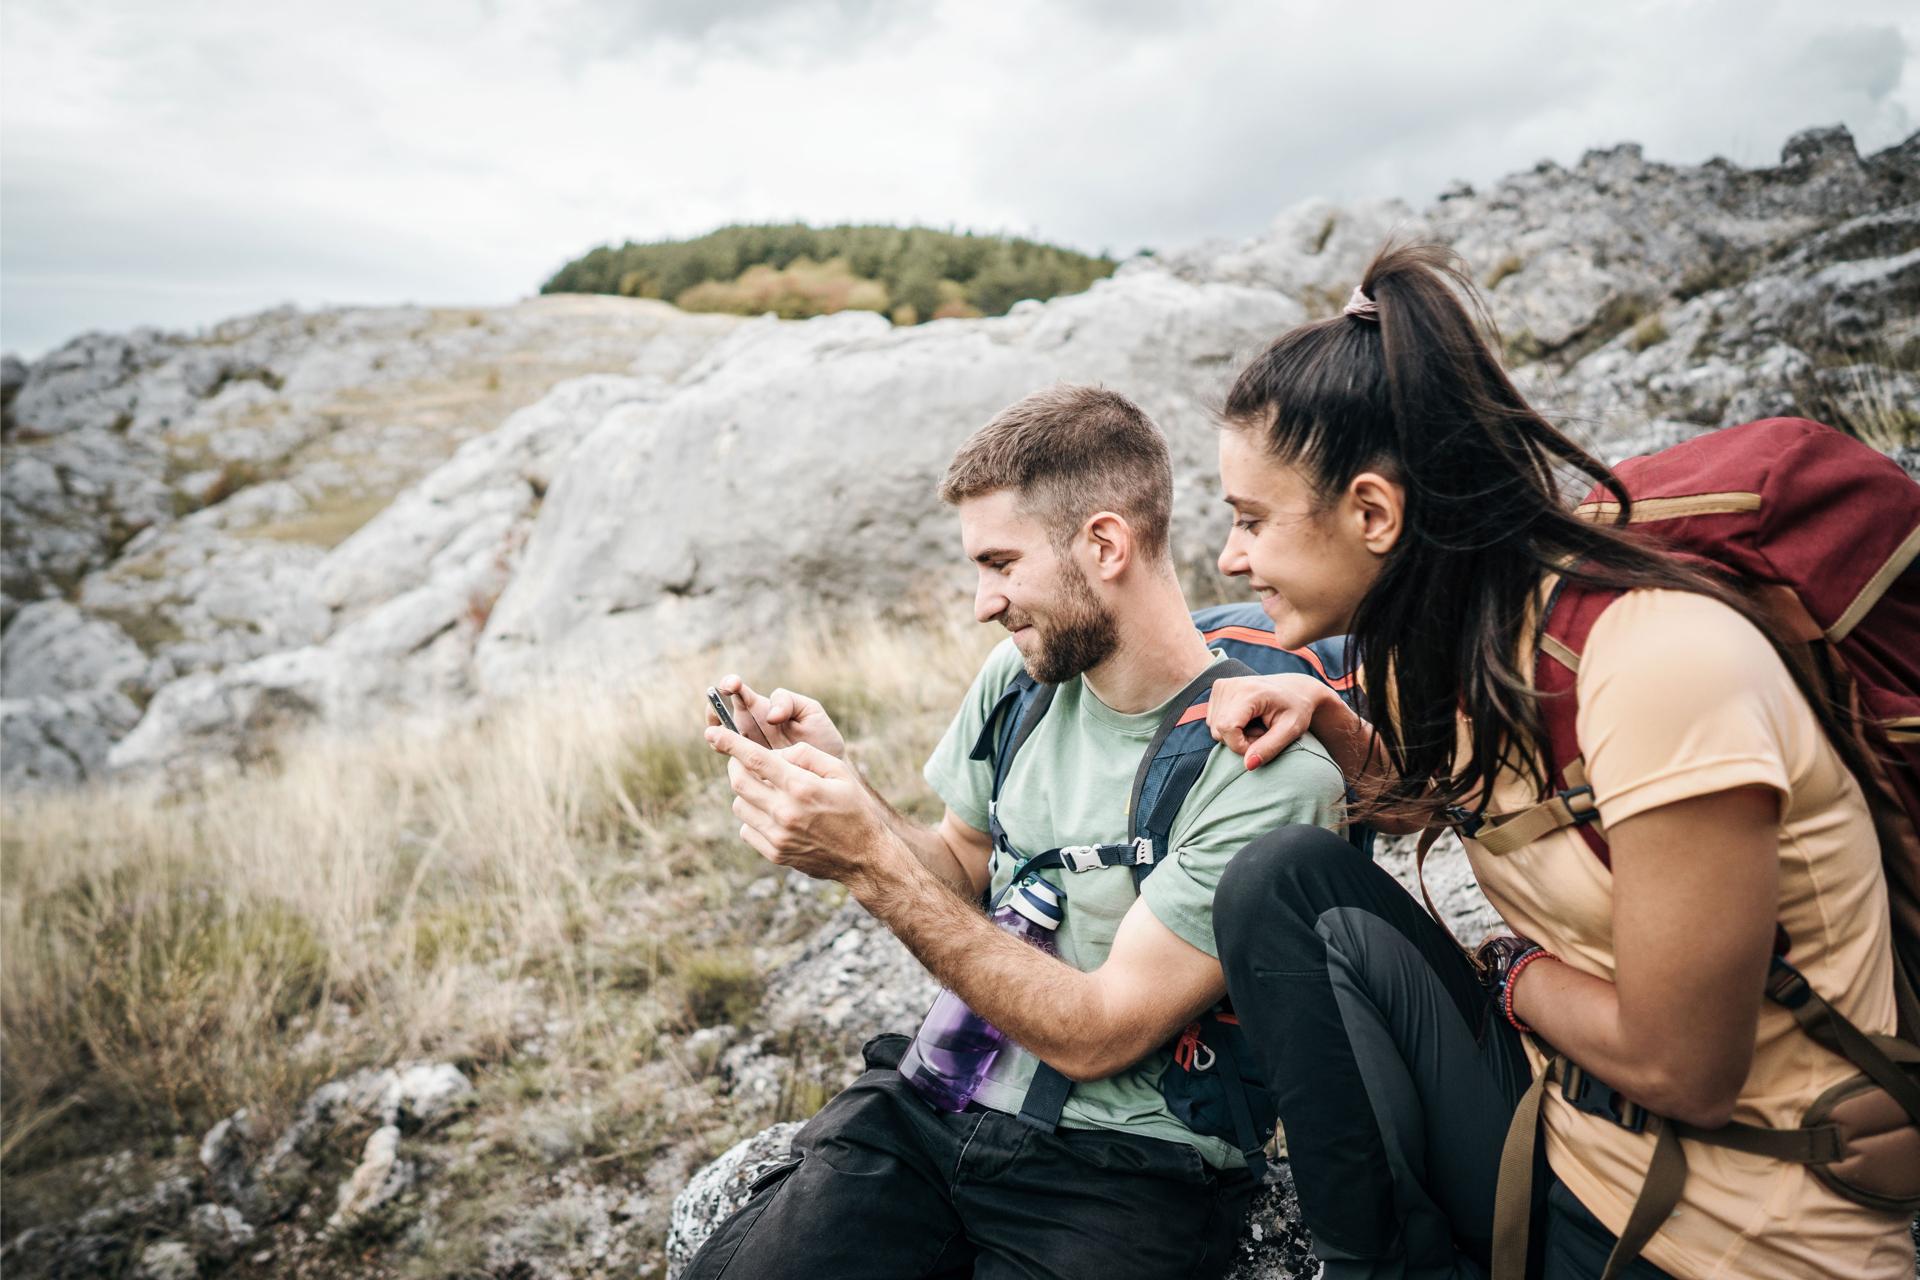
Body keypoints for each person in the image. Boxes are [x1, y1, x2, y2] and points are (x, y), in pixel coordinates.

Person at [1201, 241, 1916, 1278]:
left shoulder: (1658, 661)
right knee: (1280, 884)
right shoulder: (1452, 637)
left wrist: (1510, 970)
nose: (1230, 558)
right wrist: (1328, 713)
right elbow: (1461, 799)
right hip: (1559, 1150)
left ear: (1372, 513)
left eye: (1251, 520)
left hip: (1746, 1237)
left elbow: (1687, 1067)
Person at [685, 384, 1347, 1279]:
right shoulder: (1023, 683)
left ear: (1104, 544)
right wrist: (848, 791)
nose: (982, 603)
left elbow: (1101, 1031)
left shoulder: (1266, 775)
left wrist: (867, 863)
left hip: (1124, 1176)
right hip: (931, 1109)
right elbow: (958, 865)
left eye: (1000, 563)